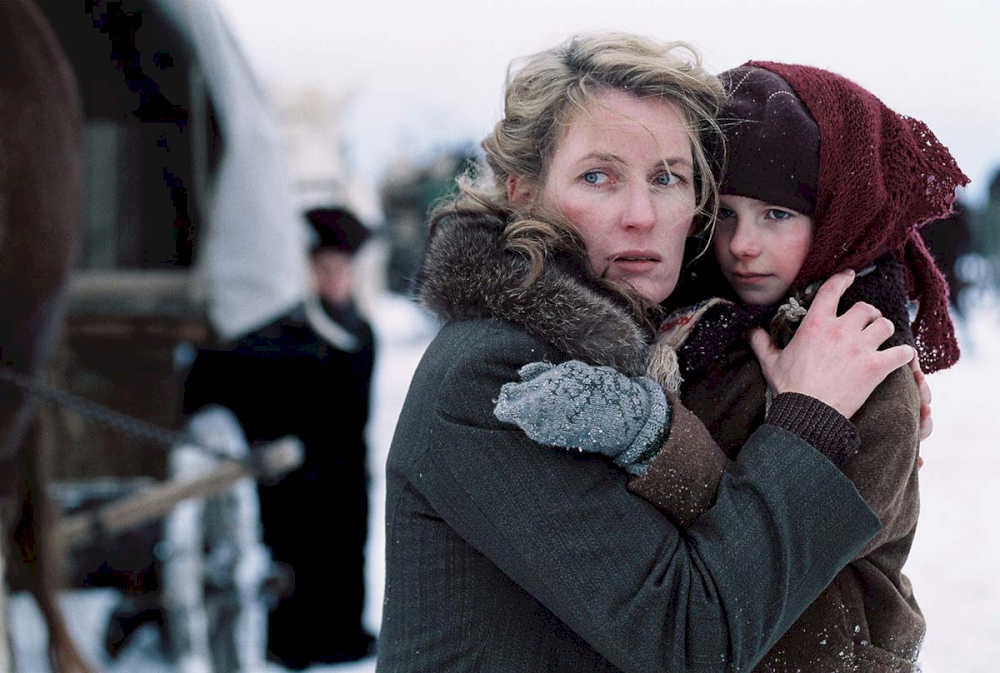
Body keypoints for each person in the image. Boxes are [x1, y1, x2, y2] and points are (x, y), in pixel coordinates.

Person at [377, 33, 918, 672]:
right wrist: (809, 422)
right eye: (599, 176)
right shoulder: (498, 372)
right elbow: (690, 639)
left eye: (668, 178)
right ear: (523, 191)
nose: (641, 214)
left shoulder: (654, 347)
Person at [498, 62, 968, 672]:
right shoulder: (696, 321)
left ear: (833, 215)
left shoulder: (863, 347)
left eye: (778, 214)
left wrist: (658, 439)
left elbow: (817, 529)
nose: (744, 244)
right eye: (725, 213)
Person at [183, 206, 377, 667]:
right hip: (288, 476)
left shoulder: (359, 330)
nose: (336, 281)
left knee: (342, 555)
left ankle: (340, 633)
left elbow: (354, 413)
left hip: (341, 470)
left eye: (343, 270)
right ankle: (291, 639)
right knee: (292, 557)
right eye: (326, 269)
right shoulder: (280, 333)